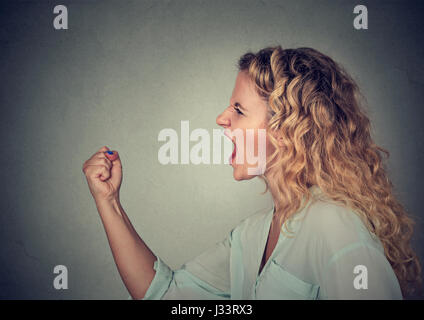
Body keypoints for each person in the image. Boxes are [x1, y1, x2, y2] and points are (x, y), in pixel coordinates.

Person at [82, 46, 421, 299]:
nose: (221, 118)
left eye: (239, 109)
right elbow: (170, 298)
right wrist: (108, 202)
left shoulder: (334, 224)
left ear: (289, 130)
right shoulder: (250, 236)